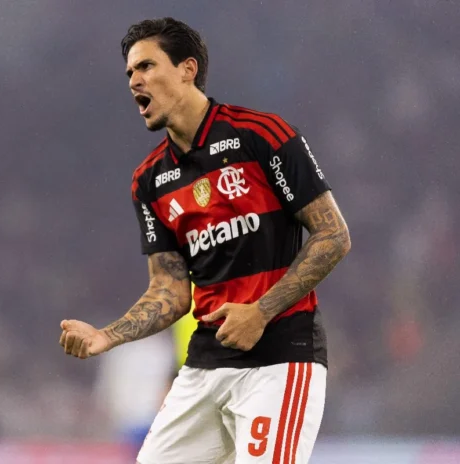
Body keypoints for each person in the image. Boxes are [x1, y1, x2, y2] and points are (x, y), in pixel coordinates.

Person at [59, 17, 351, 464]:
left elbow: (333, 234)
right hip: (204, 367)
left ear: (187, 69)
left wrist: (261, 311)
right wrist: (107, 336)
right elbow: (170, 291)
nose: (134, 80)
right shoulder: (149, 180)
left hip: (279, 358)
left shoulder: (261, 135)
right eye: (129, 72)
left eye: (146, 66)